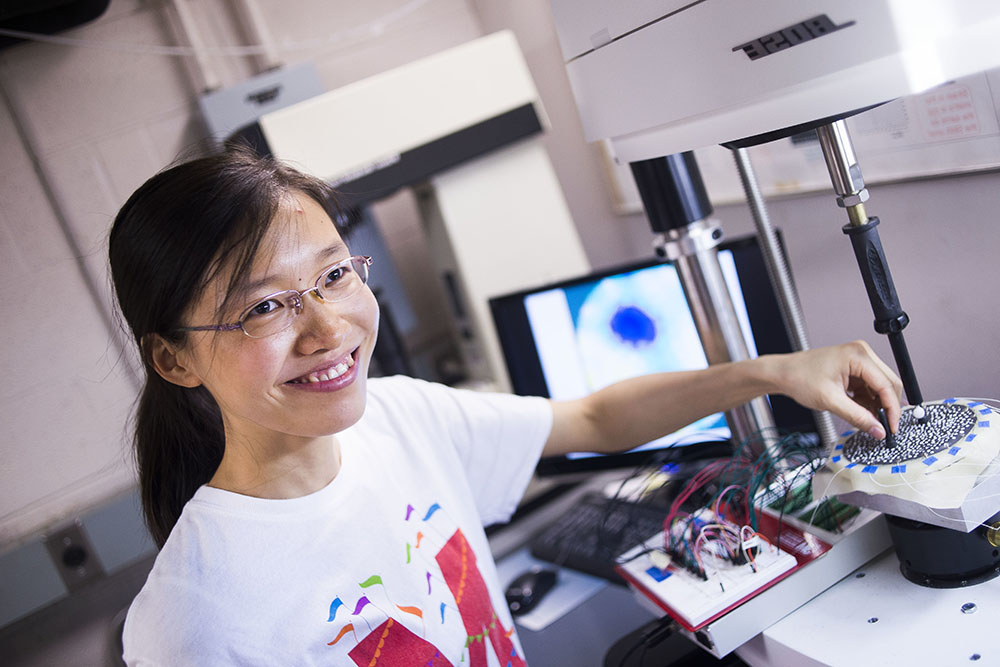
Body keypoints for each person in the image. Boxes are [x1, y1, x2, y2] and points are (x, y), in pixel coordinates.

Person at [109, 147, 901, 666]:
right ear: (174, 358)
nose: (327, 329)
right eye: (265, 308)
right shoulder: (193, 624)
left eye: (333, 276)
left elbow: (592, 420)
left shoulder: (401, 417)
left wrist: (774, 372)